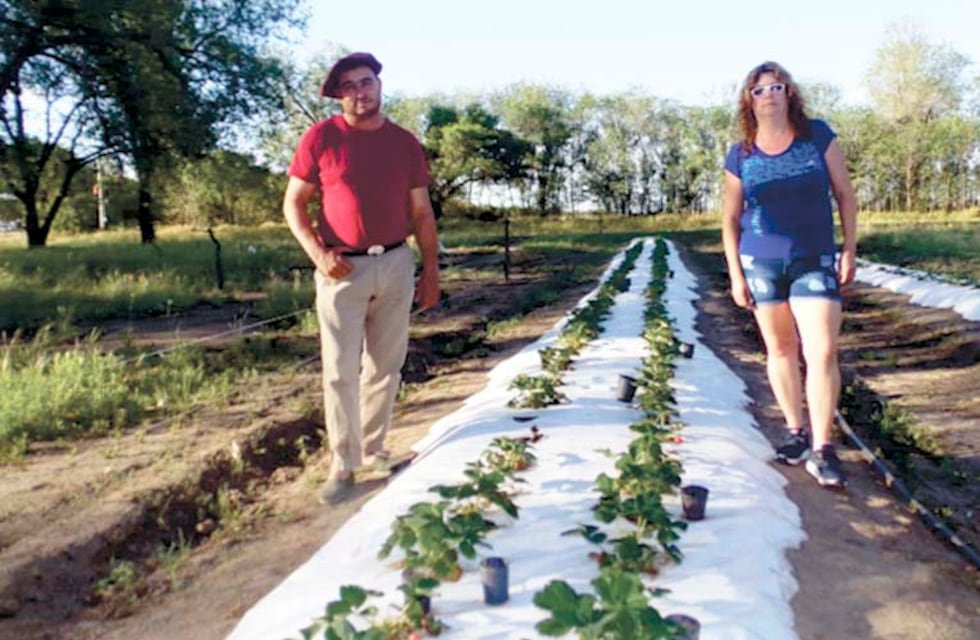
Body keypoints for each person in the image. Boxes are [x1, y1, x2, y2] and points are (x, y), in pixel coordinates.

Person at [283, 52, 441, 504]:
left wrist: (430, 271)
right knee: (339, 369)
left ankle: (373, 450)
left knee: (385, 364)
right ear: (339, 95)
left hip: (394, 263)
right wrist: (317, 253)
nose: (360, 91)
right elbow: (294, 204)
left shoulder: (405, 144)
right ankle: (343, 463)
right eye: (349, 86)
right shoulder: (321, 139)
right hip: (341, 269)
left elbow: (421, 212)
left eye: (366, 81)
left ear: (378, 84)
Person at [721, 61, 857, 489]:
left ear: (789, 94)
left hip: (813, 257)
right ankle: (796, 433)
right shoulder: (741, 153)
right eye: (759, 90)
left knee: (821, 351)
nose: (769, 95)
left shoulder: (817, 136)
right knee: (780, 348)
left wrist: (849, 248)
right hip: (761, 262)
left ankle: (823, 448)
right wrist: (735, 275)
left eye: (777, 87)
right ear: (749, 100)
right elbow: (729, 218)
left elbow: (845, 195)